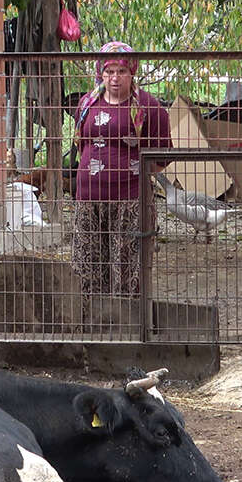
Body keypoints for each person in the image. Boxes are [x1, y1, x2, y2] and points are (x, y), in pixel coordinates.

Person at [72, 41, 172, 297]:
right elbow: (81, 144)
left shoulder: (149, 108)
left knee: (127, 266)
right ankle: (93, 326)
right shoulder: (87, 104)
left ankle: (128, 326)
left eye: (121, 71)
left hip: (130, 200)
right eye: (109, 72)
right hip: (88, 200)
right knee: (88, 265)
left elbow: (162, 156)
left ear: (132, 73)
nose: (114, 78)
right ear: (100, 73)